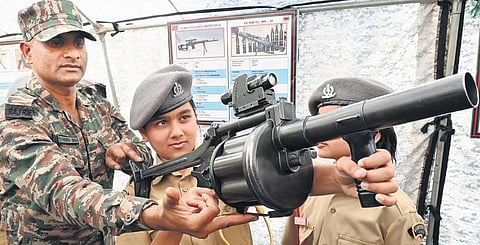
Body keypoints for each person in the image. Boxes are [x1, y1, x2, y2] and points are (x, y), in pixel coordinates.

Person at [0, 0, 256, 243]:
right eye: (56, 43)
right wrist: (154, 215)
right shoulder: (15, 119)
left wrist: (126, 154)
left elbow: (141, 148)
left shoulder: (94, 101)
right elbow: (62, 192)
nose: (72, 54)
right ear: (27, 52)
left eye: (78, 43)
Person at [117, 64, 256, 245]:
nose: (177, 132)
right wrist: (176, 224)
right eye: (161, 123)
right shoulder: (137, 191)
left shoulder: (229, 164)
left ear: (196, 118)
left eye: (184, 118)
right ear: (144, 133)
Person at [282, 77, 427, 245]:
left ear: (374, 136)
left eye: (329, 124)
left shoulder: (395, 209)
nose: (318, 133)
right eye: (316, 123)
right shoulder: (307, 192)